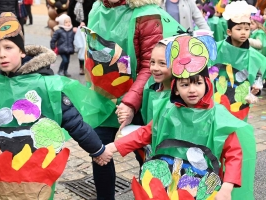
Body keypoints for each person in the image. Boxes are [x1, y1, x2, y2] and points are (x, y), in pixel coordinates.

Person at [103, 35, 256, 200]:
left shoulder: (218, 116)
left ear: (207, 84)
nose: (191, 90)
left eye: (197, 83)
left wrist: (227, 185)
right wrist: (113, 147)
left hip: (204, 187)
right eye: (184, 84)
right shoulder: (167, 110)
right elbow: (146, 133)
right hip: (170, 185)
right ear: (175, 89)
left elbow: (233, 153)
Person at [0, 12, 115, 199]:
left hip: (35, 171)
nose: (2, 54)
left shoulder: (45, 85)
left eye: (8, 47)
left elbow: (74, 122)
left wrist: (97, 150)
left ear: (22, 51)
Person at [86, 0, 186, 198]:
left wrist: (131, 103)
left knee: (149, 158)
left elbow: (150, 67)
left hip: (141, 96)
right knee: (99, 152)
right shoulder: (97, 8)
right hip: (104, 97)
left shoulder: (146, 14)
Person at [211, 1, 266, 121]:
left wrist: (256, 88)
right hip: (218, 95)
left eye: (247, 29)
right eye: (238, 29)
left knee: (236, 128)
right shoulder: (217, 48)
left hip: (240, 100)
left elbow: (258, 74)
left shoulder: (253, 55)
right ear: (229, 31)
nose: (243, 32)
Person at [68, 0, 96, 75]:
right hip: (77, 28)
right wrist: (73, 26)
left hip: (89, 26)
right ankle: (82, 66)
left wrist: (85, 22)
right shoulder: (73, 2)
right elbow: (70, 14)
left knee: (91, 46)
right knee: (81, 47)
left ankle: (92, 66)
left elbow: (93, 13)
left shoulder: (91, 2)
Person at [249, 10, 266, 90]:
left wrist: (249, 40)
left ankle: (257, 88)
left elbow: (260, 45)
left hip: (259, 56)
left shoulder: (260, 33)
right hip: (255, 56)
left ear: (258, 25)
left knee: (258, 73)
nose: (250, 26)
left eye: (252, 24)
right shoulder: (253, 32)